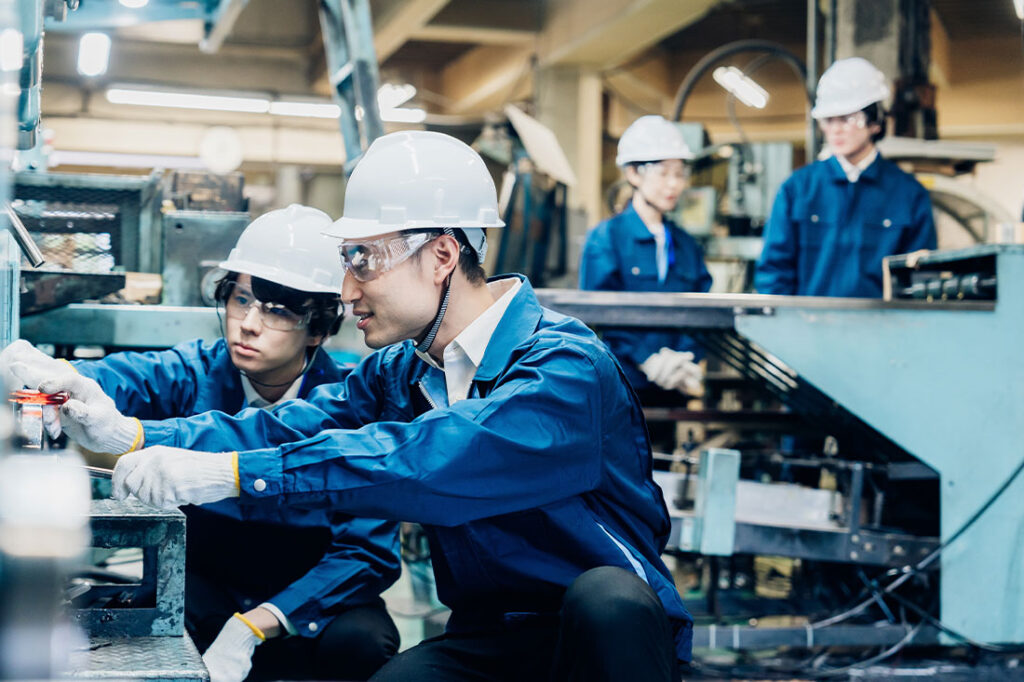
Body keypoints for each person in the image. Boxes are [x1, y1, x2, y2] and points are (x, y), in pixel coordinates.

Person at [51, 131, 694, 682]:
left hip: (606, 636)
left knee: (606, 598)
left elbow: (435, 461)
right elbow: (292, 421)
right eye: (345, 259)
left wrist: (235, 474)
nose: (348, 288)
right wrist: (130, 432)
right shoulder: (401, 370)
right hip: (491, 631)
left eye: (365, 259)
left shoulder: (562, 366)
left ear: (443, 254)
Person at [0, 205, 401, 682]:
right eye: (240, 299)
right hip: (208, 578)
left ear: (318, 327)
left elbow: (366, 554)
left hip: (309, 585)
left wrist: (255, 626)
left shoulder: (350, 404)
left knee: (362, 644)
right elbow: (125, 378)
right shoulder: (194, 372)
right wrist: (63, 378)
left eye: (276, 309)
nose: (248, 323)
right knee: (157, 629)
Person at [755, 57, 937, 297]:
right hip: (809, 329)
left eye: (848, 119)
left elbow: (922, 278)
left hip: (881, 330)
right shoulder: (797, 189)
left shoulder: (909, 194)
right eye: (828, 120)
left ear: (875, 122)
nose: (836, 129)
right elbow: (774, 272)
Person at [580, 115, 712, 399]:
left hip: (675, 386)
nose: (673, 185)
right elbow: (601, 313)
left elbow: (704, 310)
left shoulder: (686, 244)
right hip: (621, 388)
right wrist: (647, 358)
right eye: (663, 173)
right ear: (633, 174)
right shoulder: (606, 239)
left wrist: (685, 357)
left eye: (679, 174)